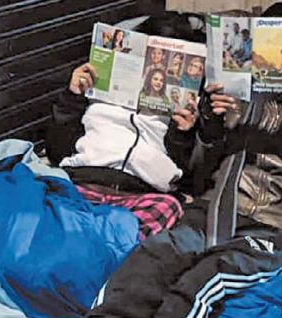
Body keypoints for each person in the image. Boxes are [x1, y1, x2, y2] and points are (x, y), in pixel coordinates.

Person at [36, 1, 282, 318]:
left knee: (203, 280)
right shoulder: (238, 84)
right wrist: (209, 126)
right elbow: (198, 169)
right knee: (155, 255)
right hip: (214, 206)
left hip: (275, 223)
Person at [46, 13, 201, 194]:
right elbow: (56, 150)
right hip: (82, 177)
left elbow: (188, 175)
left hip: (140, 189)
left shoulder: (179, 108)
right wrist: (72, 97)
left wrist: (182, 134)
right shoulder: (95, 90)